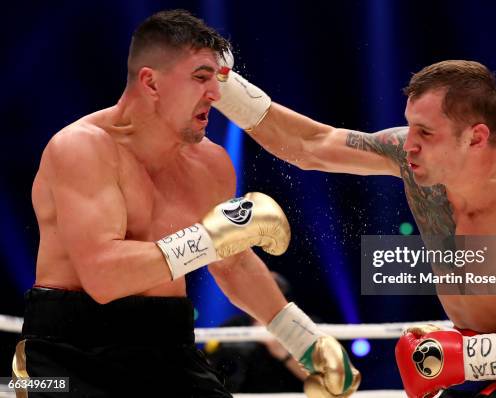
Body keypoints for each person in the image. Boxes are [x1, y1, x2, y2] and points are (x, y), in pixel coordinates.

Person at [13, 9, 359, 397]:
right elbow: (104, 277)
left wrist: (304, 340)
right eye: (200, 78)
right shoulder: (82, 148)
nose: (215, 94)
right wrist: (212, 236)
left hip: (167, 346)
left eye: (216, 80)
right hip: (65, 353)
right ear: (151, 82)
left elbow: (233, 262)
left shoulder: (210, 164)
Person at [213, 59, 496, 396]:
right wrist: (223, 85)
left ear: (476, 137)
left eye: (426, 133)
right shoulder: (412, 162)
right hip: (474, 360)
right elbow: (311, 145)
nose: (408, 145)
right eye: (410, 127)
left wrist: (467, 358)